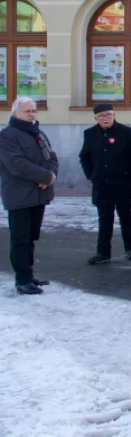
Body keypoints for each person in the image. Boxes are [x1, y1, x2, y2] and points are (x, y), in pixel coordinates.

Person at [0, 97, 58, 294]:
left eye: (34, 111)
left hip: (39, 194)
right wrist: (45, 176)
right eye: (27, 111)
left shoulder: (38, 133)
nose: (32, 115)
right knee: (20, 239)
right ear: (15, 113)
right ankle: (22, 280)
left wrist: (50, 176)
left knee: (31, 237)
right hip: (19, 195)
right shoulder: (7, 135)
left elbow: (51, 157)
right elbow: (17, 164)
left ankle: (29, 275)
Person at [79, 104, 131, 265]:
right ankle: (103, 252)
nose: (105, 118)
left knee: (126, 217)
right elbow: (84, 157)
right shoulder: (90, 134)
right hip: (101, 184)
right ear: (96, 118)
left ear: (114, 115)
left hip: (122, 182)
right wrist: (91, 175)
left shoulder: (126, 132)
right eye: (101, 116)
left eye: (108, 115)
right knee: (104, 219)